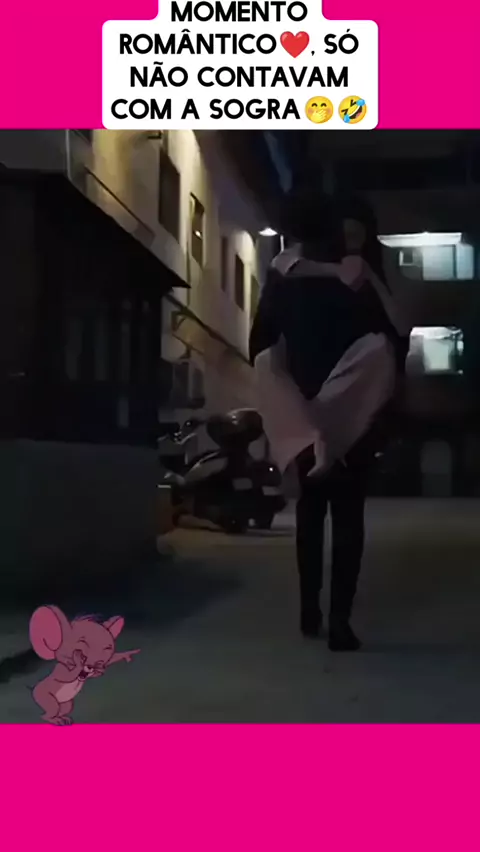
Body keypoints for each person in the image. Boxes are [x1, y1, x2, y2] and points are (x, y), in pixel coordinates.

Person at [249, 189, 404, 651]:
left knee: (312, 517)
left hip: (306, 410)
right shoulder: (358, 278)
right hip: (352, 419)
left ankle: (310, 611)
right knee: (348, 518)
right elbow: (393, 342)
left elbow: (261, 340)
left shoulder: (289, 277)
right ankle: (338, 621)